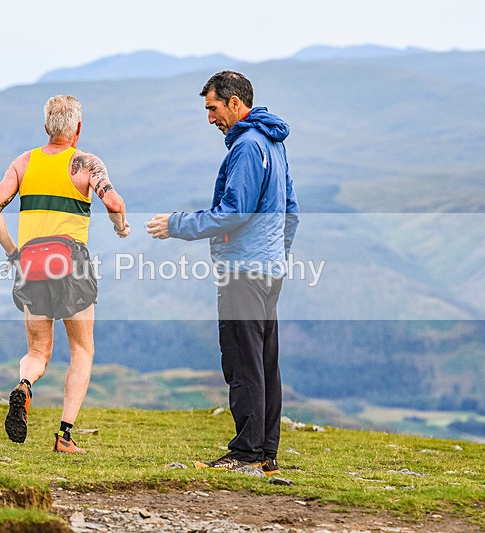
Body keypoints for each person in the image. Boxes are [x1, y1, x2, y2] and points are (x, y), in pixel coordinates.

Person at [146, 71, 299, 476]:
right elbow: (291, 210)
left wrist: (176, 225)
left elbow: (233, 212)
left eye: (213, 108)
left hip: (244, 271)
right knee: (264, 361)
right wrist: (277, 256)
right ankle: (265, 452)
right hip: (269, 270)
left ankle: (246, 453)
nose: (210, 118)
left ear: (235, 103)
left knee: (241, 361)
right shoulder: (273, 142)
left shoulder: (247, 146)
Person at [0, 95, 129, 454]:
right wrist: (121, 227)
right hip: (71, 263)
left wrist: (12, 252)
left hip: (31, 264)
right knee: (82, 349)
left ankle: (24, 385)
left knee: (38, 350)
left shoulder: (23, 162)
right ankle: (64, 437)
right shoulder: (87, 164)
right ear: (77, 128)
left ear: (46, 126)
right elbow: (113, 202)